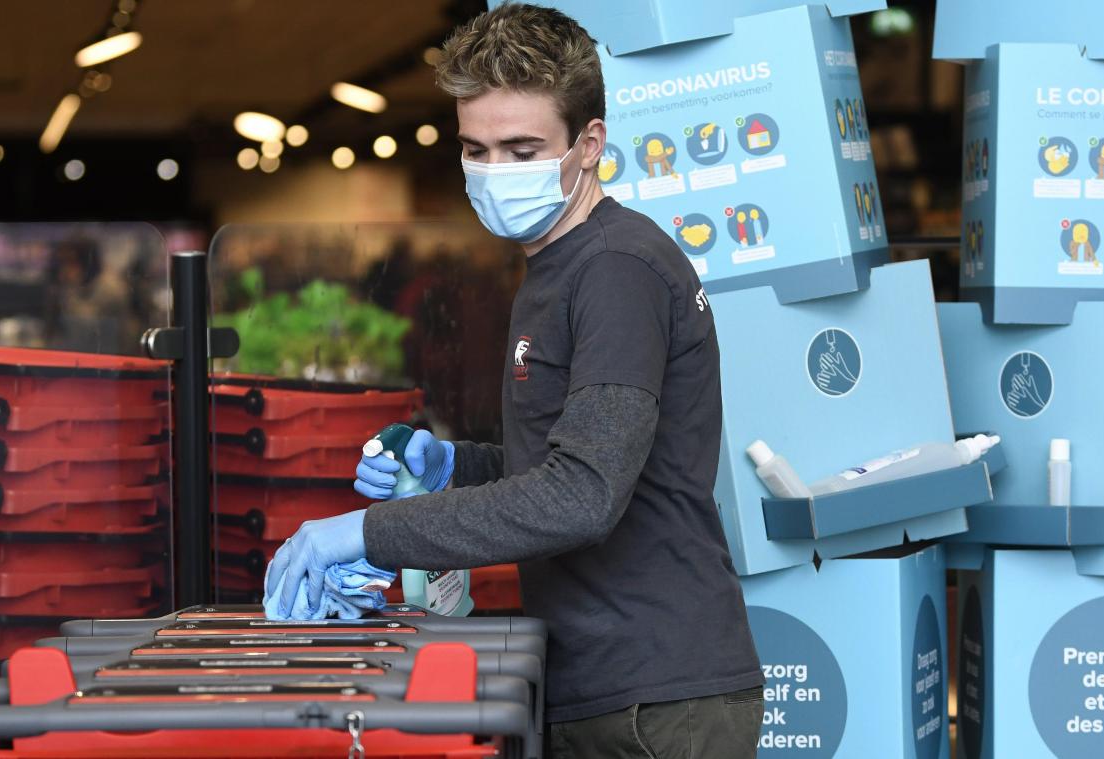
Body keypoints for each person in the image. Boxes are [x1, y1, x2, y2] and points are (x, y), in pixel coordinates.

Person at [264, 4, 764, 756]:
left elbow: (583, 494)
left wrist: (367, 533)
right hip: (602, 678)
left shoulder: (615, 271)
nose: (496, 173)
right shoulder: (557, 263)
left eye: (522, 148)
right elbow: (574, 460)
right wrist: (455, 464)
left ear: (589, 142)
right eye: (476, 149)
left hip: (655, 697)